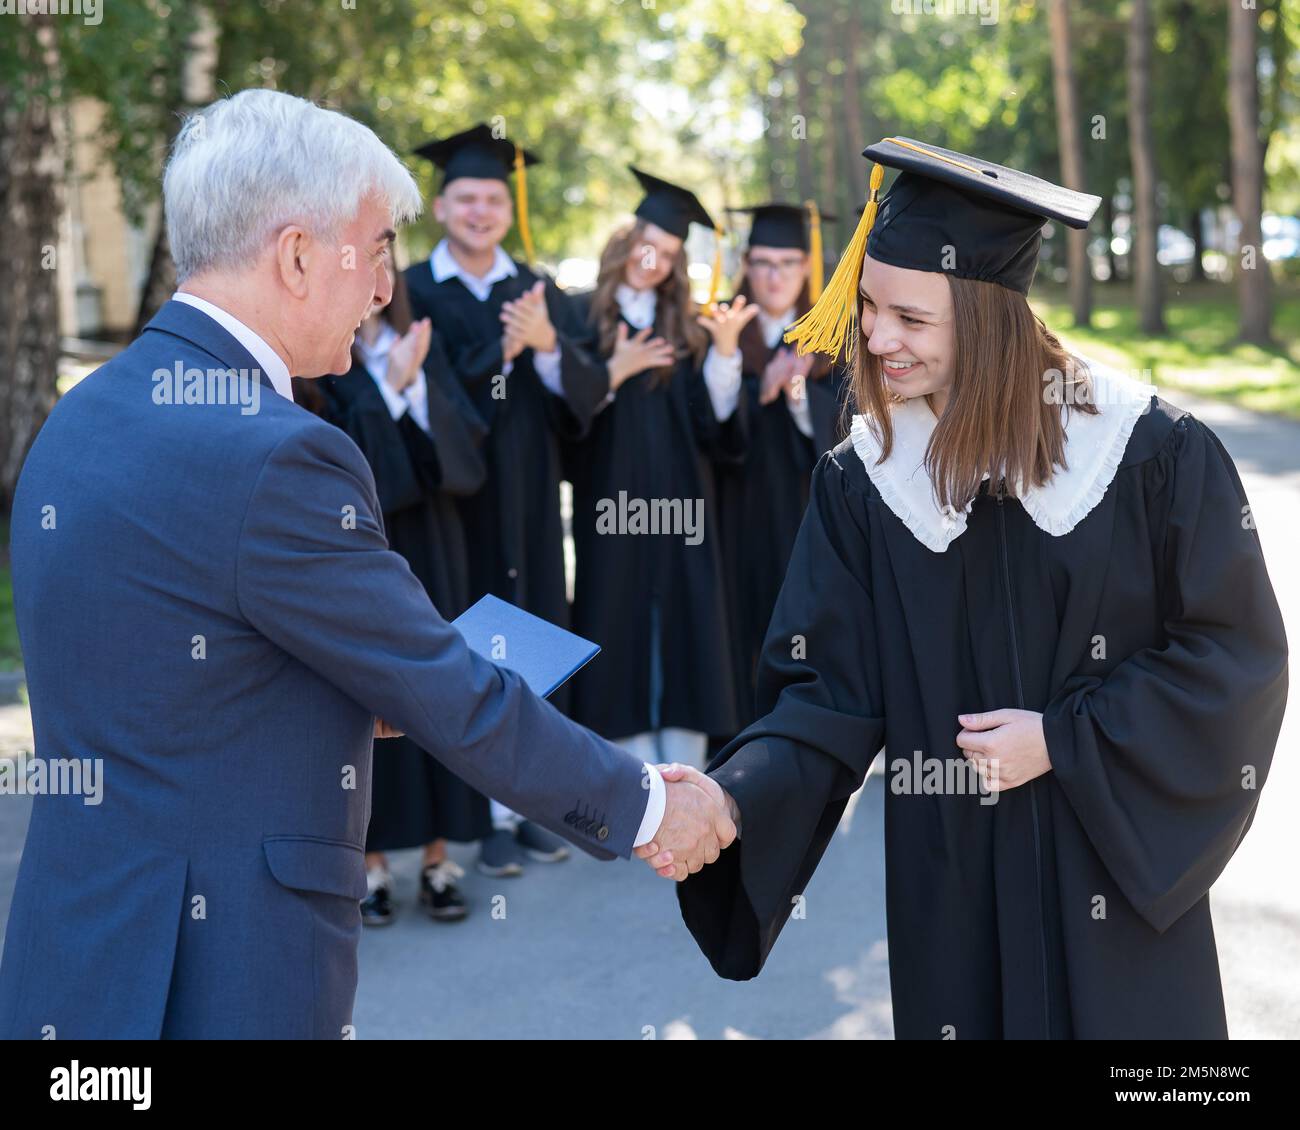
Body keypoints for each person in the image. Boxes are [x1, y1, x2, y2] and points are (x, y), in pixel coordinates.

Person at [0, 90, 734, 1040]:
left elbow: (162, 673)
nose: (388, 287)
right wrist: (642, 806)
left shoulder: (82, 414)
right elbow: (448, 687)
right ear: (300, 255)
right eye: (378, 246)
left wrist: (338, 695)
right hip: (223, 972)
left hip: (77, 958)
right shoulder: (277, 452)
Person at [647, 136, 1289, 1039]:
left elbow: (1235, 656)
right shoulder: (866, 482)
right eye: (868, 307)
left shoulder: (1149, 454)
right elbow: (823, 696)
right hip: (953, 883)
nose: (874, 338)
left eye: (911, 319)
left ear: (990, 318)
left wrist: (1066, 740)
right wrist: (728, 796)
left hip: (1109, 877)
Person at [404, 123, 608, 877]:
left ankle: (528, 806)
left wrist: (549, 344)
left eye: (493, 198)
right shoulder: (415, 290)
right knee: (470, 651)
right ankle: (478, 815)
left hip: (530, 501)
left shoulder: (536, 287)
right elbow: (439, 398)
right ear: (441, 205)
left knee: (533, 647)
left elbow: (583, 399)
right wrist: (509, 350)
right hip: (459, 505)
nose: (482, 211)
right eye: (466, 198)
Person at [316, 247, 493, 924]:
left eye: (388, 263)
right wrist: (390, 388)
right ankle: (370, 867)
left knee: (434, 690)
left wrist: (414, 387)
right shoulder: (326, 351)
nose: (379, 279)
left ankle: (439, 860)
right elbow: (340, 453)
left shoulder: (421, 344)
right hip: (362, 544)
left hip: (434, 554)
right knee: (373, 697)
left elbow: (464, 455)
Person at [565, 168, 755, 770]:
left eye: (671, 254)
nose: (656, 261)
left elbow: (717, 425)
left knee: (686, 619)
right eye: (650, 245)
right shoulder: (579, 317)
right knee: (612, 614)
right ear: (627, 239)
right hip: (610, 501)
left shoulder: (691, 328)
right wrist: (613, 370)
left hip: (681, 503)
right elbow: (565, 417)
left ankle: (684, 771)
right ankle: (622, 773)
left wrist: (725, 354)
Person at [714, 202, 852, 737]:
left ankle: (803, 730)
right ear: (745, 263)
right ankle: (738, 732)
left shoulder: (835, 334)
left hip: (804, 509)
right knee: (740, 615)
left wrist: (796, 394)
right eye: (764, 262)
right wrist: (741, 371)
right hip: (736, 507)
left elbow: (850, 427)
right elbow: (706, 424)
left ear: (808, 267)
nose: (775, 276)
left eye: (789, 263)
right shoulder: (723, 326)